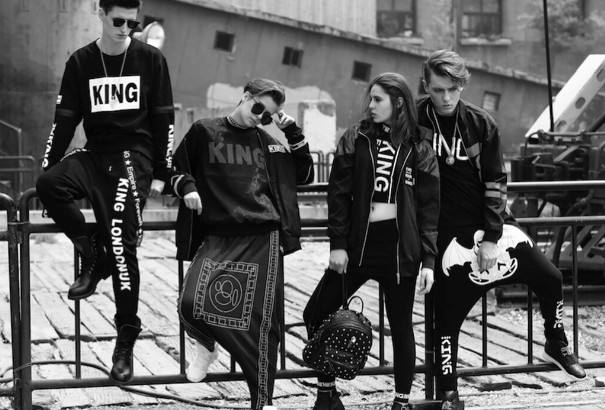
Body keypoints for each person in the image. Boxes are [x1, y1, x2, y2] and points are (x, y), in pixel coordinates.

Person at [417, 49, 586, 410]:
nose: (445, 97)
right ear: (426, 87)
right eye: (437, 90)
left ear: (462, 86)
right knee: (447, 318)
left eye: (452, 89)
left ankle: (555, 342)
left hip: (492, 224)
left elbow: (496, 181)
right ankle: (448, 392)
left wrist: (492, 237)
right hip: (444, 232)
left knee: (551, 277)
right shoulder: (414, 120)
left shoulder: (480, 122)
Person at [35, 0, 174, 383]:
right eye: (118, 20)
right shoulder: (81, 62)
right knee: (49, 184)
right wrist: (49, 166)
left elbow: (164, 119)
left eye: (133, 23)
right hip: (96, 154)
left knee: (122, 244)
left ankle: (125, 339)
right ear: (100, 12)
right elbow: (64, 121)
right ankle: (94, 254)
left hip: (134, 158)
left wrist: (162, 173)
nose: (125, 28)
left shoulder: (151, 60)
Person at [169, 78, 314, 410]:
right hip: (218, 235)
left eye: (268, 115)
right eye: (259, 108)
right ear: (246, 97)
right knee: (189, 303)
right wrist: (187, 186)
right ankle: (206, 344)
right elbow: (176, 168)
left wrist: (292, 132)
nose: (260, 117)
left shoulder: (268, 143)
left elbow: (303, 175)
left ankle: (263, 401)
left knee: (263, 324)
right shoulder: (204, 131)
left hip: (263, 236)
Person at [303, 72, 440, 410]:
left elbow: (429, 209)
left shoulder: (419, 146)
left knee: (401, 327)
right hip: (357, 248)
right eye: (371, 98)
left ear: (398, 102)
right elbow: (338, 194)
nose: (371, 105)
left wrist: (429, 260)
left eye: (378, 99)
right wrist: (337, 244)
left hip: (399, 251)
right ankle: (327, 394)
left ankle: (401, 402)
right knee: (316, 311)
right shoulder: (357, 137)